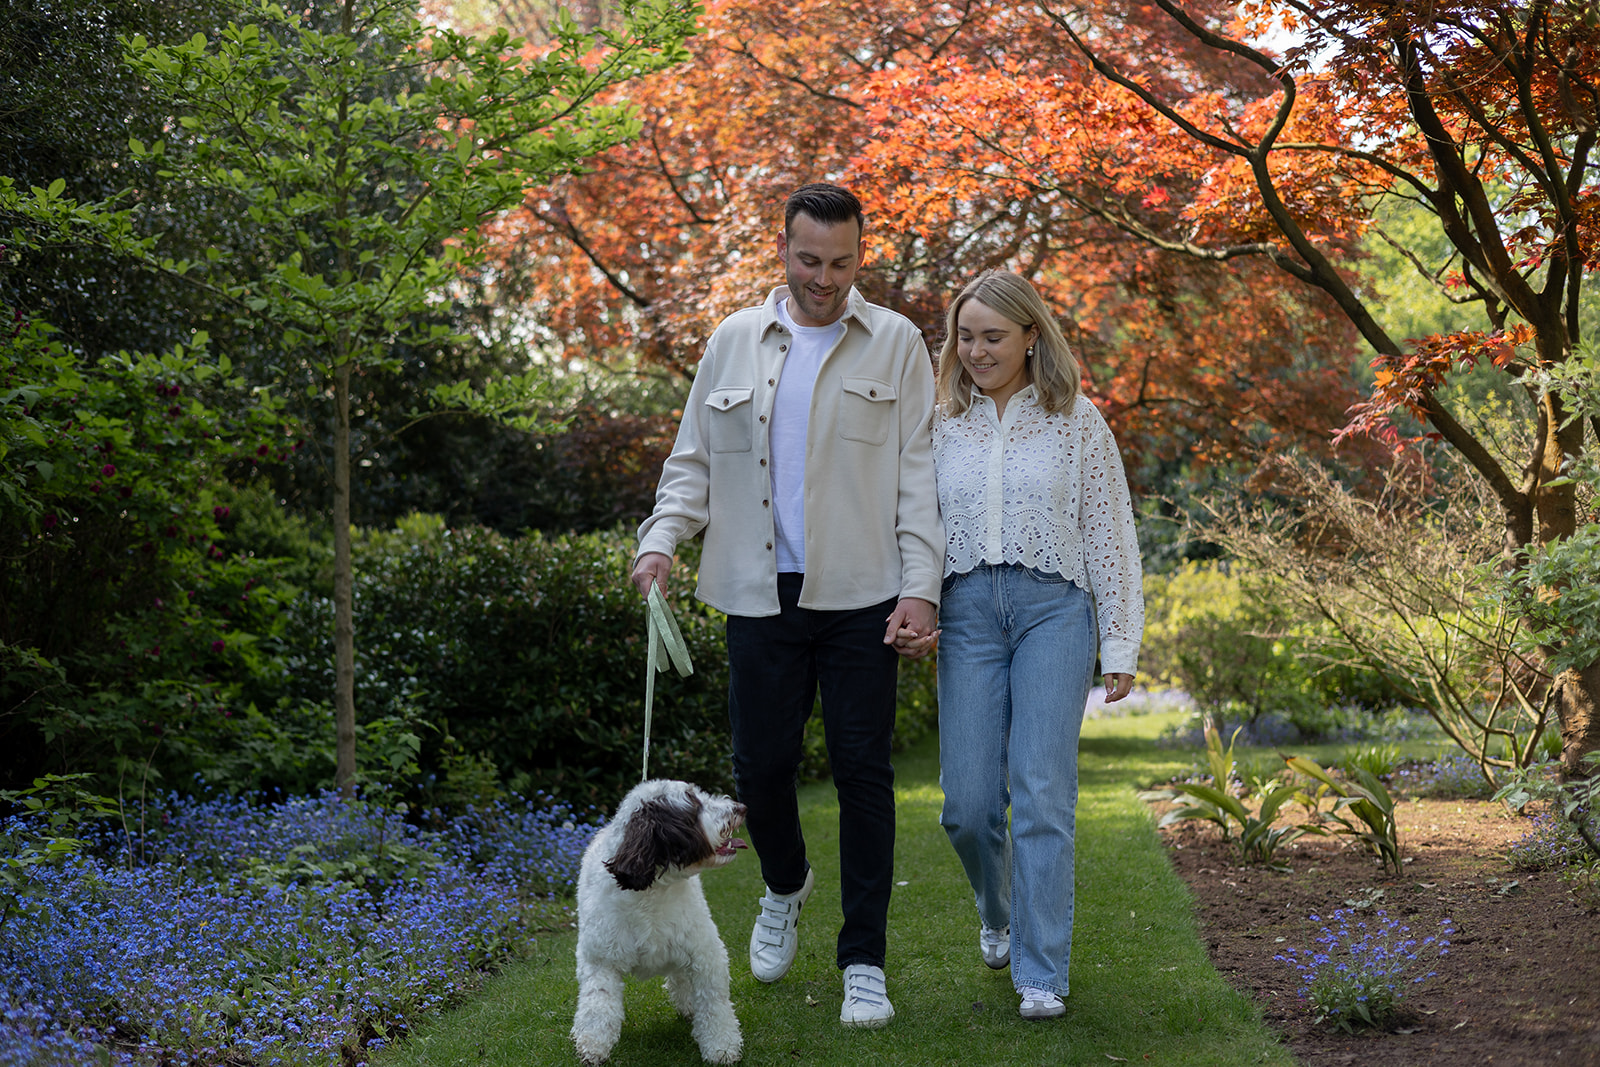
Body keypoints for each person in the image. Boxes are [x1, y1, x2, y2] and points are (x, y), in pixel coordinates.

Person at [630, 182, 943, 1029]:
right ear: (783, 249)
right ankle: (784, 883)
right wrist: (661, 538)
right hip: (756, 593)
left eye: (842, 263)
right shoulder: (733, 341)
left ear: (859, 256)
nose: (825, 278)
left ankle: (864, 961)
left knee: (863, 773)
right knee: (762, 771)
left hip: (863, 594)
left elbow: (919, 474)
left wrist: (921, 586)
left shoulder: (898, 344)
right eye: (810, 260)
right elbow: (692, 460)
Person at [909, 270, 1143, 1020]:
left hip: (1055, 612)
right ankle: (998, 910)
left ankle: (1041, 972)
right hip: (969, 611)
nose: (976, 350)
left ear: (1032, 335)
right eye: (966, 336)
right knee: (968, 806)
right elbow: (913, 522)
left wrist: (1120, 642)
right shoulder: (940, 419)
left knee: (1043, 795)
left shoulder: (1077, 419)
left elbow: (1111, 533)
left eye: (993, 336)